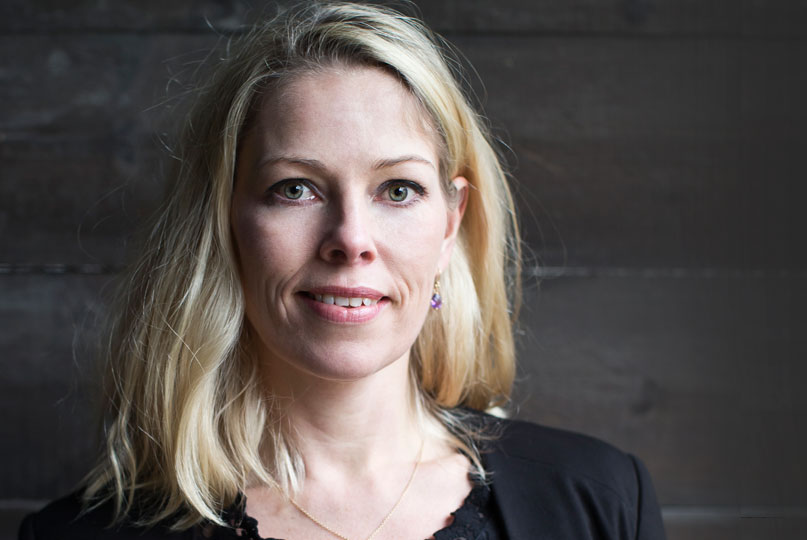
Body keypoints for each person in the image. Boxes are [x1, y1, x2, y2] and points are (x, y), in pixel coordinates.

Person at [19, 2, 666, 539]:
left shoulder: (600, 501)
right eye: (296, 188)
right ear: (224, 218)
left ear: (450, 223)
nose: (351, 240)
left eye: (398, 190)